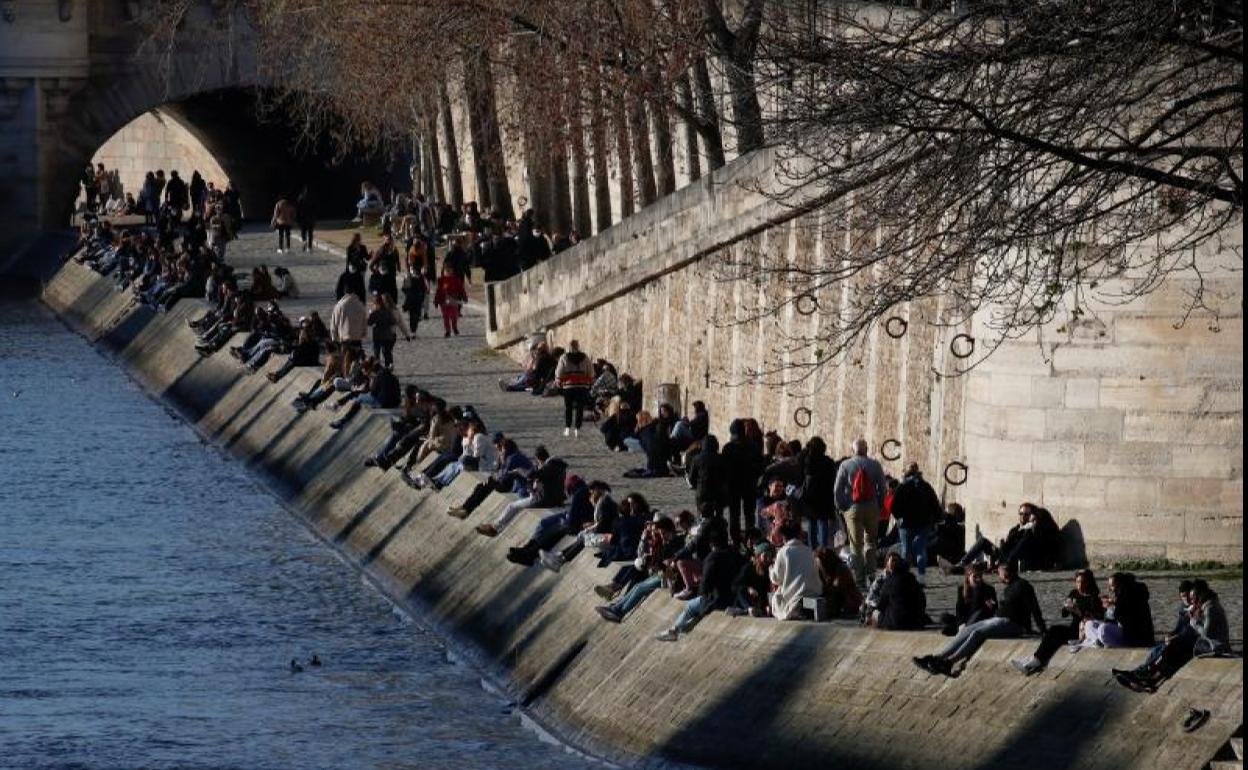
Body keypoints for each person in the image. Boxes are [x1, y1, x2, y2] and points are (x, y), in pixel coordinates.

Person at [914, 562, 1044, 677]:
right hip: (998, 620)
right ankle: (936, 658)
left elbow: (1034, 608)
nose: (998, 576)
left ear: (1006, 573)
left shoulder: (1023, 586)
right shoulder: (1009, 587)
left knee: (977, 634)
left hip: (1013, 624)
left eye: (999, 573)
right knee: (968, 629)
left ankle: (949, 662)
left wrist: (1042, 629)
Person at [1113, 581, 1230, 693]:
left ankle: (1148, 677)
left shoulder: (1211, 608)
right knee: (1172, 649)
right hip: (1206, 643)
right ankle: (1151, 678)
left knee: (1175, 648)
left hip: (1214, 646)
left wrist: (1194, 620)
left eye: (1193, 599)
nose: (1192, 602)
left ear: (1201, 596)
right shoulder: (1205, 606)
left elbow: (1206, 633)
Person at [654, 527, 743, 641]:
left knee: (690, 607)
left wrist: (701, 592)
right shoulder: (735, 554)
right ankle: (681, 628)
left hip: (717, 599)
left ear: (711, 544)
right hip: (734, 598)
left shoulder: (712, 558)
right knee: (696, 609)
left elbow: (706, 582)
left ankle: (674, 630)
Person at [1012, 569, 1103, 674]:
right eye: (1077, 582)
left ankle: (1035, 660)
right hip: (1072, 627)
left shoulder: (1093, 599)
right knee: (1053, 631)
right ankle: (1035, 659)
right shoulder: (1074, 593)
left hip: (1082, 632)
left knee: (1055, 634)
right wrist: (1067, 607)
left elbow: (1093, 619)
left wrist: (1077, 611)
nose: (1080, 585)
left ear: (1088, 583)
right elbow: (1064, 615)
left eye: (1082, 582)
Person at [834, 437, 887, 587]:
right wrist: (879, 505)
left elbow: (837, 489)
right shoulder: (875, 465)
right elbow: (882, 488)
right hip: (871, 507)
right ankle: (871, 575)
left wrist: (841, 506)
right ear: (866, 449)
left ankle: (858, 578)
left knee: (855, 544)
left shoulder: (846, 465)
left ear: (853, 450)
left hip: (853, 507)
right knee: (871, 541)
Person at [890, 463, 942, 582]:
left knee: (906, 550)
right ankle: (921, 577)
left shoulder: (902, 486)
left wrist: (899, 517)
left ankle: (904, 576)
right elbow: (935, 504)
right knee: (921, 549)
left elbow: (893, 506)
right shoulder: (925, 486)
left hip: (906, 524)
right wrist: (935, 519)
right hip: (923, 523)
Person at [1078, 572, 1154, 649]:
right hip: (1123, 631)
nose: (1109, 589)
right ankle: (1096, 642)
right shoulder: (1122, 596)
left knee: (1103, 629)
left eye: (1112, 586)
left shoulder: (1133, 596)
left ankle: (1095, 642)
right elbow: (1112, 618)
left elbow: (1122, 619)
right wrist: (1112, 606)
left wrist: (1112, 607)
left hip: (1134, 638)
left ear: (1120, 585)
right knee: (1089, 624)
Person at [718, 419, 763, 545]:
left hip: (734, 485)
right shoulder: (753, 446)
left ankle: (735, 538)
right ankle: (750, 538)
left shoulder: (728, 447)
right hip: (749, 485)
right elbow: (760, 465)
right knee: (749, 514)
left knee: (734, 514)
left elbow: (724, 468)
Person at [767, 519, 823, 620]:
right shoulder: (808, 550)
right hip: (815, 590)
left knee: (776, 597)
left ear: (783, 537)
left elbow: (776, 579)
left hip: (796, 593)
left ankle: (793, 609)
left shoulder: (784, 552)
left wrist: (771, 570)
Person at [797, 436, 839, 549]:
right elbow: (833, 478)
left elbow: (801, 475)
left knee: (812, 522)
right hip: (825, 495)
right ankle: (823, 549)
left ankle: (812, 548)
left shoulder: (807, 461)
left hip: (811, 496)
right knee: (822, 521)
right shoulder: (828, 462)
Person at [872, 553, 929, 630]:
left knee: (875, 615)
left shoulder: (889, 580)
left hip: (896, 622)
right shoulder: (912, 578)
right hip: (915, 622)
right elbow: (922, 600)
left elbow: (881, 604)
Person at [939, 562, 996, 635]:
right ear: (968, 577)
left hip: (979, 620)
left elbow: (992, 608)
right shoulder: (962, 589)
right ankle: (958, 629)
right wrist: (961, 623)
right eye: (975, 576)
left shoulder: (988, 589)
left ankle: (958, 630)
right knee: (944, 616)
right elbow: (959, 609)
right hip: (966, 619)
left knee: (979, 614)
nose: (978, 579)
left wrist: (980, 593)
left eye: (980, 576)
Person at [555, 340, 594, 436]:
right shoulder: (585, 358)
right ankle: (577, 429)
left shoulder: (564, 357)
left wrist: (558, 380)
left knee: (568, 407)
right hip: (582, 386)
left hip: (569, 386)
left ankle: (567, 428)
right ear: (578, 346)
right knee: (580, 408)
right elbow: (591, 372)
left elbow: (559, 372)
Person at [367, 293, 410, 369]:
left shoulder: (377, 312)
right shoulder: (389, 311)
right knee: (387, 352)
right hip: (388, 335)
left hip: (379, 335)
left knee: (378, 352)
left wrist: (371, 314)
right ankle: (388, 366)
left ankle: (379, 367)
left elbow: (369, 322)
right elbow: (396, 322)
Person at [433, 264, 467, 337]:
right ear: (443, 271)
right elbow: (438, 291)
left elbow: (461, 289)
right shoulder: (441, 280)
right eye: (446, 270)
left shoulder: (456, 280)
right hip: (443, 301)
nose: (448, 272)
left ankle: (454, 327)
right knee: (446, 317)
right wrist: (436, 300)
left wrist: (464, 297)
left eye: (450, 270)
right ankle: (447, 331)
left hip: (454, 300)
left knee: (454, 316)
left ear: (452, 271)